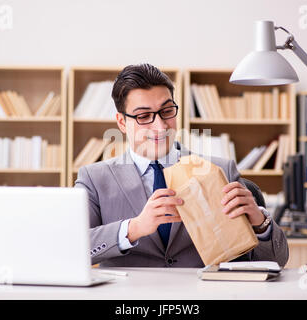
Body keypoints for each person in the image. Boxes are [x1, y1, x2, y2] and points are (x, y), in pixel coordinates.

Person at [75, 63, 289, 268]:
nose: (160, 126)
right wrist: (134, 228)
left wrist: (260, 224)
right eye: (144, 116)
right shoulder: (94, 178)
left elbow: (277, 261)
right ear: (122, 122)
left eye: (167, 111)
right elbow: (73, 248)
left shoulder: (221, 170)